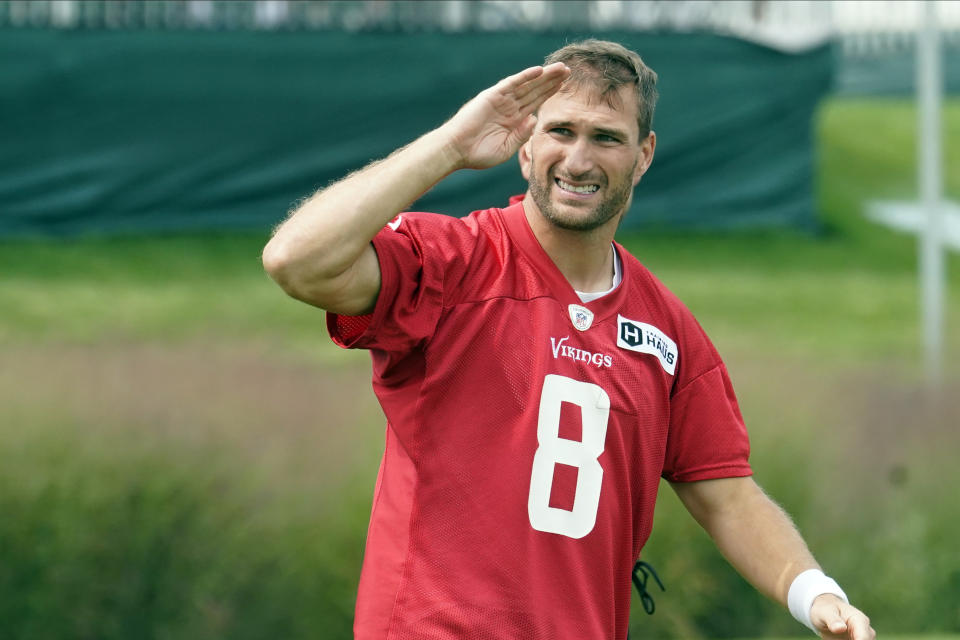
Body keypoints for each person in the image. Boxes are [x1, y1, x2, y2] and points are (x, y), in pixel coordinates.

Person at [262, 39, 875, 640]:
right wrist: (450, 145)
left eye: (606, 137)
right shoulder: (454, 263)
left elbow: (726, 495)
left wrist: (818, 595)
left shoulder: (666, 330)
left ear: (643, 155)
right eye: (561, 132)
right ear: (525, 147)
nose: (579, 159)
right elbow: (298, 260)